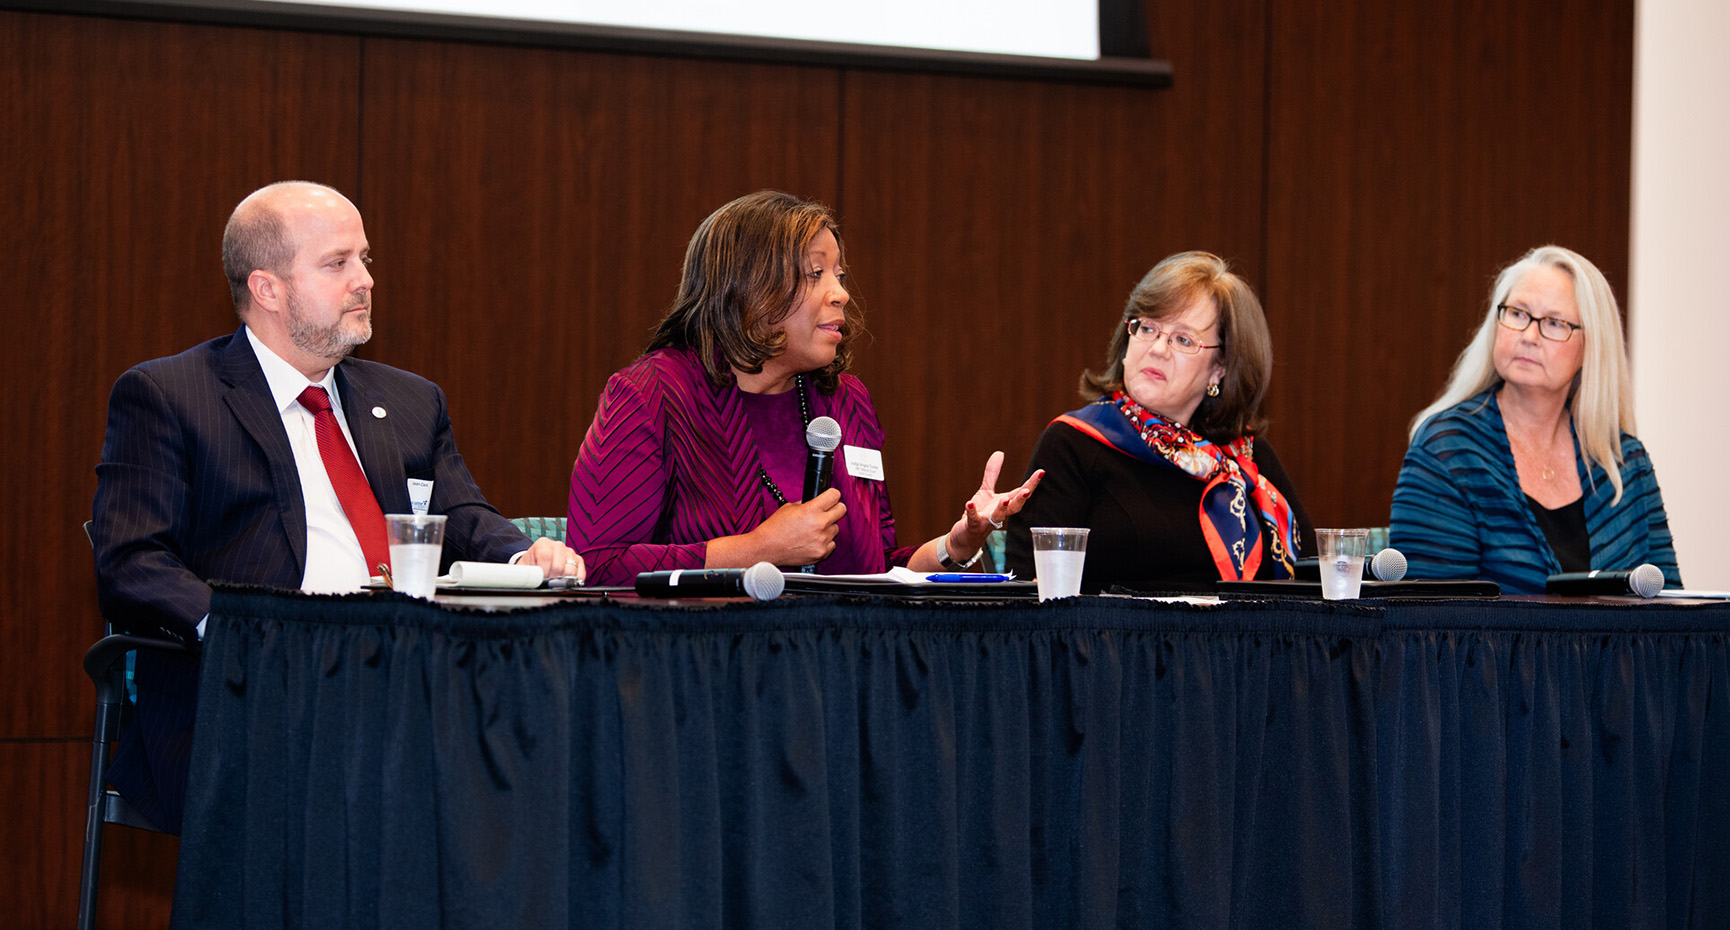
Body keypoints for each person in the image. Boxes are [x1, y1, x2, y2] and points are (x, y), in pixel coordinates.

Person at [90, 181, 584, 833]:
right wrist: (246, 632)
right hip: (255, 691)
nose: (365, 280)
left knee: (549, 748)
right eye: (338, 263)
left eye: (366, 259)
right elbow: (132, 560)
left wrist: (523, 553)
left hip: (407, 674)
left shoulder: (409, 400)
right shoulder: (170, 396)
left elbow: (463, 516)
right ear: (267, 289)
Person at [569, 190, 1040, 585]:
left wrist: (955, 545)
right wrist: (757, 549)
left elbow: (874, 571)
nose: (841, 293)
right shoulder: (652, 395)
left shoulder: (846, 402)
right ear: (748, 286)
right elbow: (596, 565)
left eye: (839, 274)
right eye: (816, 273)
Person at [1005, 251, 1313, 593]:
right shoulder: (1074, 444)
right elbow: (1025, 594)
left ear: (1220, 367)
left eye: (1182, 339)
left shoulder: (1246, 458)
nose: (1157, 348)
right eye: (1147, 328)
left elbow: (1310, 580)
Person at [1389, 245, 1680, 593]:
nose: (1529, 336)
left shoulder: (1625, 461)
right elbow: (1433, 626)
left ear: (1591, 348)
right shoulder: (1446, 451)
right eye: (1518, 314)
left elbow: (1672, 614)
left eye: (1555, 323)